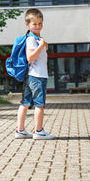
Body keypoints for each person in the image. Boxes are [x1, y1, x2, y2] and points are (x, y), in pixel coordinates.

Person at [15, 8, 55, 140]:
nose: (38, 26)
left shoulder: (37, 38)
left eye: (40, 23)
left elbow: (45, 48)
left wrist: (43, 44)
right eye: (34, 24)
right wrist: (41, 45)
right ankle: (39, 131)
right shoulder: (32, 39)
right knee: (39, 104)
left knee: (25, 103)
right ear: (27, 24)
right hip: (38, 76)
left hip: (32, 76)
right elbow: (30, 57)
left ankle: (20, 130)